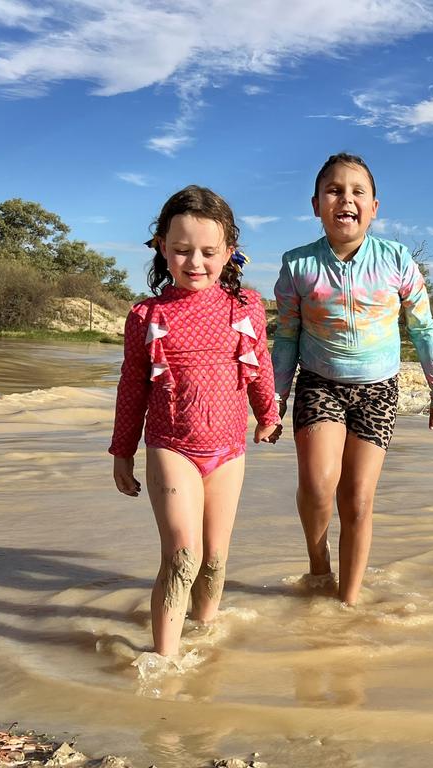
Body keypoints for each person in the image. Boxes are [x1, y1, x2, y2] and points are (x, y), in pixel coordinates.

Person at [272, 152, 433, 606]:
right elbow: (287, 337)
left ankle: (346, 607)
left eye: (357, 192)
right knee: (317, 486)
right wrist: (274, 398)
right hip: (319, 383)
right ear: (316, 205)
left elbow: (423, 328)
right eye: (333, 190)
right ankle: (318, 561)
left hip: (378, 390)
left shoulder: (396, 259)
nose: (345, 199)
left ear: (374, 207)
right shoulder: (298, 266)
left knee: (357, 498)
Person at [109, 185, 280, 657]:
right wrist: (123, 451)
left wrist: (268, 414)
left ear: (230, 251)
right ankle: (163, 660)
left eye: (208, 252)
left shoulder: (245, 306)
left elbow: (259, 363)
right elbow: (132, 386)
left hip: (229, 449)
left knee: (214, 557)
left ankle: (204, 642)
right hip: (171, 445)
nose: (195, 262)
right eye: (182, 250)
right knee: (183, 554)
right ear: (162, 247)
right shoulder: (146, 315)